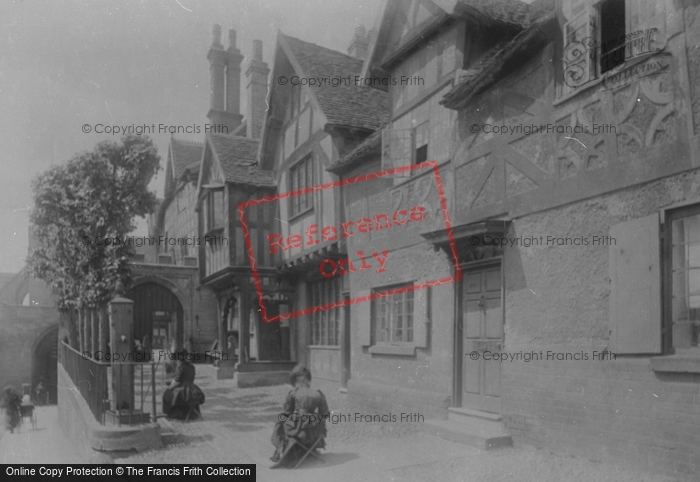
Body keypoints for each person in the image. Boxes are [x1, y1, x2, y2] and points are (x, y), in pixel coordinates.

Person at [270, 365, 330, 468]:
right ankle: (311, 448)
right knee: (318, 422)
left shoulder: (293, 393)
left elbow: (287, 412)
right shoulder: (318, 394)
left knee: (282, 422)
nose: (295, 385)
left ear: (299, 380)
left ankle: (281, 451)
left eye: (295, 382)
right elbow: (324, 414)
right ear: (308, 380)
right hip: (313, 433)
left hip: (297, 433)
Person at [161, 349, 205, 420]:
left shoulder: (182, 368)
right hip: (192, 388)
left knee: (167, 393)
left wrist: (170, 387)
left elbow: (177, 381)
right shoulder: (191, 367)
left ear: (178, 360)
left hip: (184, 390)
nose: (176, 362)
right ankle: (191, 414)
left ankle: (171, 415)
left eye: (176, 361)